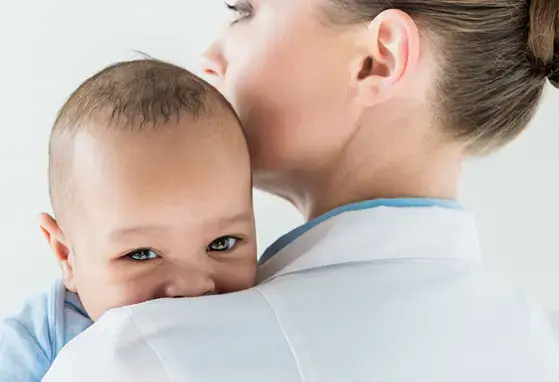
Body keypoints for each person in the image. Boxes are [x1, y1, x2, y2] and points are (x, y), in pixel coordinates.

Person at [44, 0, 559, 381]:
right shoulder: (541, 347)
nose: (209, 57)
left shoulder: (146, 354)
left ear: (376, 59)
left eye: (242, 10)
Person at [0, 59, 258, 381]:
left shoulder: (268, 312)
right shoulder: (39, 341)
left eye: (222, 244)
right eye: (141, 254)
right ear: (67, 256)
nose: (194, 287)